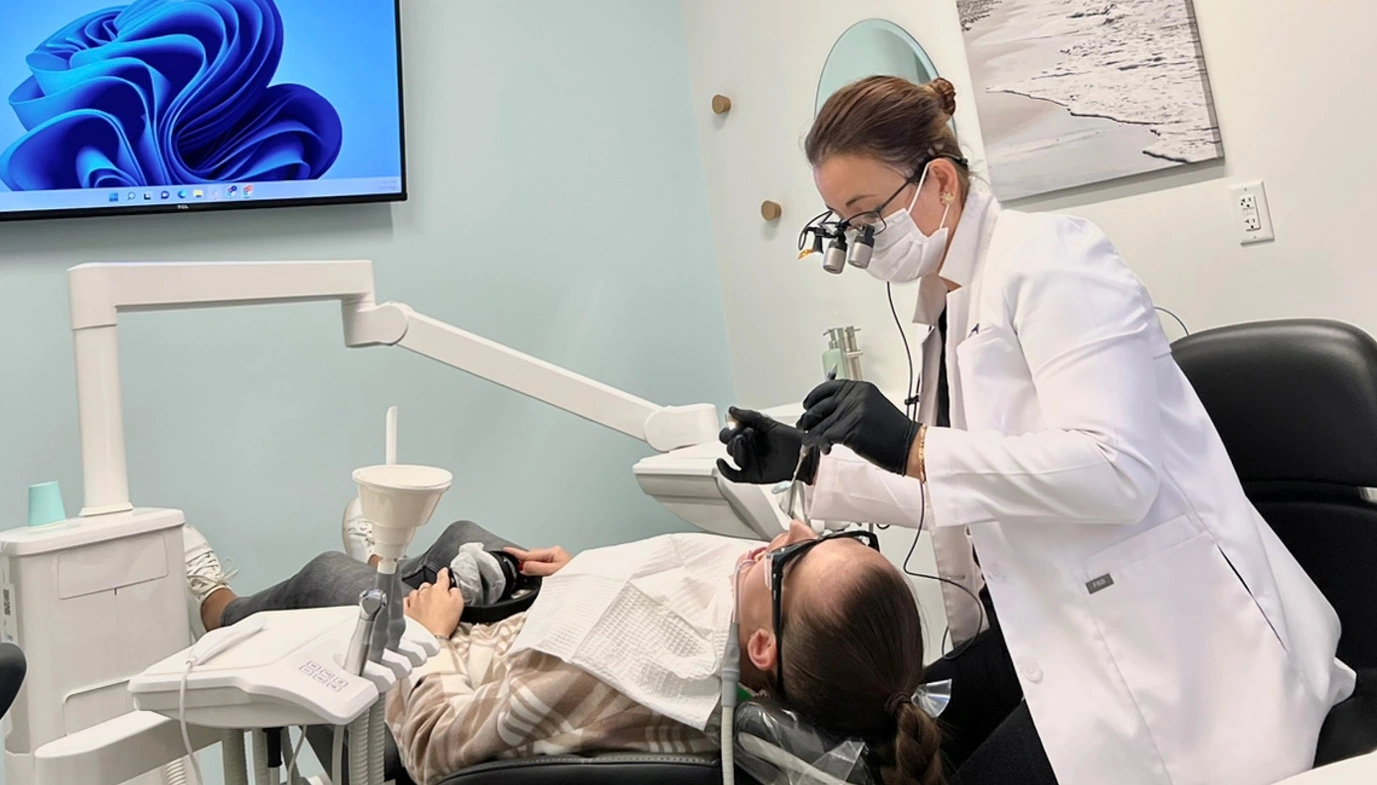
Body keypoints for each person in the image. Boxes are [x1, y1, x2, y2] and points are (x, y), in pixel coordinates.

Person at [718, 75, 1355, 785]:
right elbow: (960, 490)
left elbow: (1115, 471)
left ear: (937, 182)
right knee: (890, 743)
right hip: (1060, 628)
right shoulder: (946, 313)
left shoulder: (1052, 259)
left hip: (1182, 649)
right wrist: (806, 464)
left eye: (867, 217)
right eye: (845, 222)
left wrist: (912, 443)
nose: (860, 246)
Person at [182, 517, 946, 785]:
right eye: (824, 536)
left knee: (331, 579)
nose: (783, 537)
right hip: (523, 674)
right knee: (465, 541)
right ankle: (419, 574)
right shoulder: (770, 673)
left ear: (760, 642)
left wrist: (427, 634)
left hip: (416, 722)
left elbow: (439, 745)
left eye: (788, 560)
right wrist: (582, 579)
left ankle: (219, 610)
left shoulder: (619, 678)